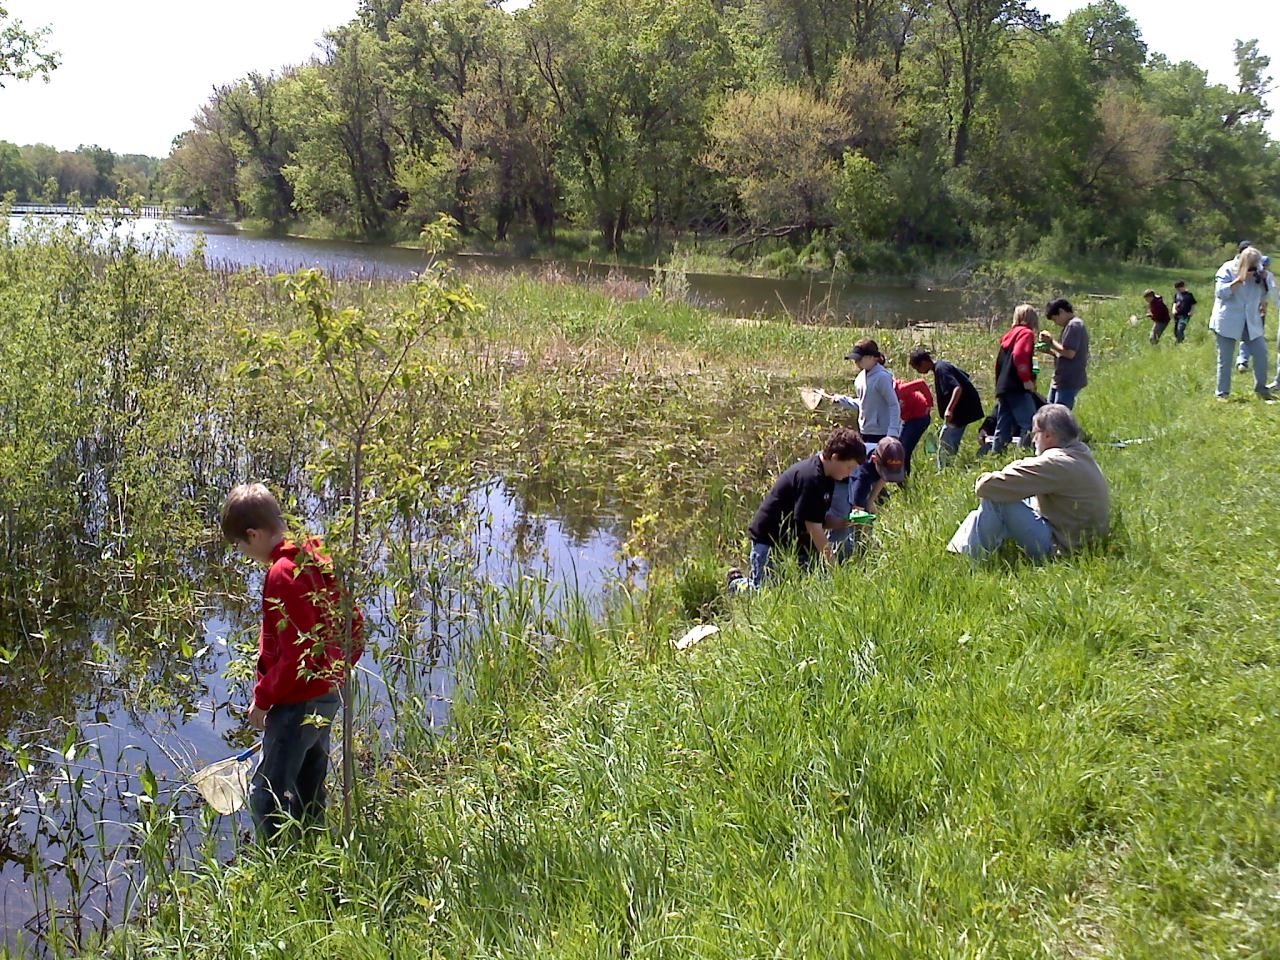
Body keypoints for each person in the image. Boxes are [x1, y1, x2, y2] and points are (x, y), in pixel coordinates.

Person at [220, 483, 364, 841]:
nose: (243, 552)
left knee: (264, 796)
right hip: (327, 694)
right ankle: (312, 855)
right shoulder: (317, 553)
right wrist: (337, 671)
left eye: (241, 545)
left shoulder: (282, 572)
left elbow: (296, 655)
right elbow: (355, 624)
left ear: (253, 534)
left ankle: (274, 864)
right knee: (309, 790)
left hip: (296, 702)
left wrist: (263, 699)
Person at [946, 404, 1110, 561]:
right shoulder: (1080, 452)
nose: (1033, 440)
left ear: (1048, 435)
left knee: (996, 498)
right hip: (1082, 541)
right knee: (1013, 493)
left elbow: (985, 487)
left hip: (1063, 548)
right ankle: (960, 550)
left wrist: (1009, 469)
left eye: (1034, 433)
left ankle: (974, 559)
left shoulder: (1055, 462)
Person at [728, 428, 866, 591]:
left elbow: (817, 518)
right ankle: (736, 583)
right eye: (849, 467)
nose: (851, 473)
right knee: (765, 593)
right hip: (771, 543)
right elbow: (814, 528)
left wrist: (843, 522)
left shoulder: (828, 477)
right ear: (835, 458)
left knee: (800, 589)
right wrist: (835, 569)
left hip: (794, 545)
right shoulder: (811, 478)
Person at [1210, 245, 1274, 400]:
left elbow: (1266, 294)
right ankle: (1222, 393)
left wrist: (1265, 280)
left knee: (1261, 353)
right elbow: (1220, 293)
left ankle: (1261, 389)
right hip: (1228, 320)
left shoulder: (1259, 271)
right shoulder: (1227, 269)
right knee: (1225, 358)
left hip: (1251, 320)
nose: (1253, 268)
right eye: (1251, 265)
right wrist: (1239, 280)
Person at [909, 348, 984, 466]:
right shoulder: (942, 366)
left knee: (946, 443)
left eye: (917, 368)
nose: (918, 371)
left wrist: (949, 409)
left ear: (923, 362)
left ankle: (944, 469)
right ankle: (946, 467)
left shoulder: (941, 369)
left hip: (960, 412)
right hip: (962, 410)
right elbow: (964, 376)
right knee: (947, 440)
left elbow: (957, 388)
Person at [992, 304, 1040, 452]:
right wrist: (1026, 380)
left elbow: (999, 363)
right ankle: (1023, 455)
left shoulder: (1009, 335)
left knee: (1003, 425)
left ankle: (996, 455)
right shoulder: (1026, 333)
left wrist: (999, 385)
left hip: (1004, 386)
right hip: (1017, 386)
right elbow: (1019, 355)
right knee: (1030, 423)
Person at [844, 338, 901, 443]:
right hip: (864, 431)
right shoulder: (860, 378)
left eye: (859, 359)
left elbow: (893, 404)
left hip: (882, 433)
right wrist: (843, 401)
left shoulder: (882, 377)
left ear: (872, 358)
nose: (856, 362)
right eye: (855, 359)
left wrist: (893, 431)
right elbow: (864, 402)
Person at [1038, 298, 1089, 410]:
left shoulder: (1074, 325)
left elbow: (1070, 353)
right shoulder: (1070, 326)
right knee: (1050, 411)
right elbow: (1064, 353)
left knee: (1058, 414)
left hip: (1069, 379)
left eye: (1055, 319)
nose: (1056, 323)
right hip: (1061, 379)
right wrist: (1049, 351)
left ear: (1061, 311)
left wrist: (1051, 342)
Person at [848, 436, 907, 515]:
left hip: (869, 472)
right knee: (844, 511)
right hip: (840, 477)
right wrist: (863, 512)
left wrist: (870, 501)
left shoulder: (886, 453)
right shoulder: (862, 477)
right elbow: (857, 513)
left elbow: (883, 477)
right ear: (874, 459)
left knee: (882, 502)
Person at [1239, 254, 1277, 372]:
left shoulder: (1268, 276)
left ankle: (1251, 361)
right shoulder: (1250, 275)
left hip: (1259, 309)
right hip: (1250, 309)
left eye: (1266, 266)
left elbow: (1272, 293)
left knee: (1255, 335)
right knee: (1247, 334)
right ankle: (1243, 361)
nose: (1264, 268)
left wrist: (1264, 306)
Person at [893, 375, 934, 477]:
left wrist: (929, 404)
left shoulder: (900, 389)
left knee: (904, 450)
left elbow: (921, 383)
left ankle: (903, 479)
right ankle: (901, 477)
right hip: (908, 419)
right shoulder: (884, 395)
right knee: (899, 447)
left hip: (920, 417)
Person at [1172, 280, 1197, 344]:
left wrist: (1191, 311)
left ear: (1183, 287)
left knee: (1180, 329)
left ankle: (1179, 342)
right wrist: (1173, 309)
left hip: (1185, 315)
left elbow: (1193, 304)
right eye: (1177, 289)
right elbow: (1175, 302)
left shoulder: (1189, 295)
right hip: (1177, 315)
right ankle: (1179, 339)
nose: (1178, 290)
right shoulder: (1177, 295)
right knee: (1176, 330)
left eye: (1179, 288)